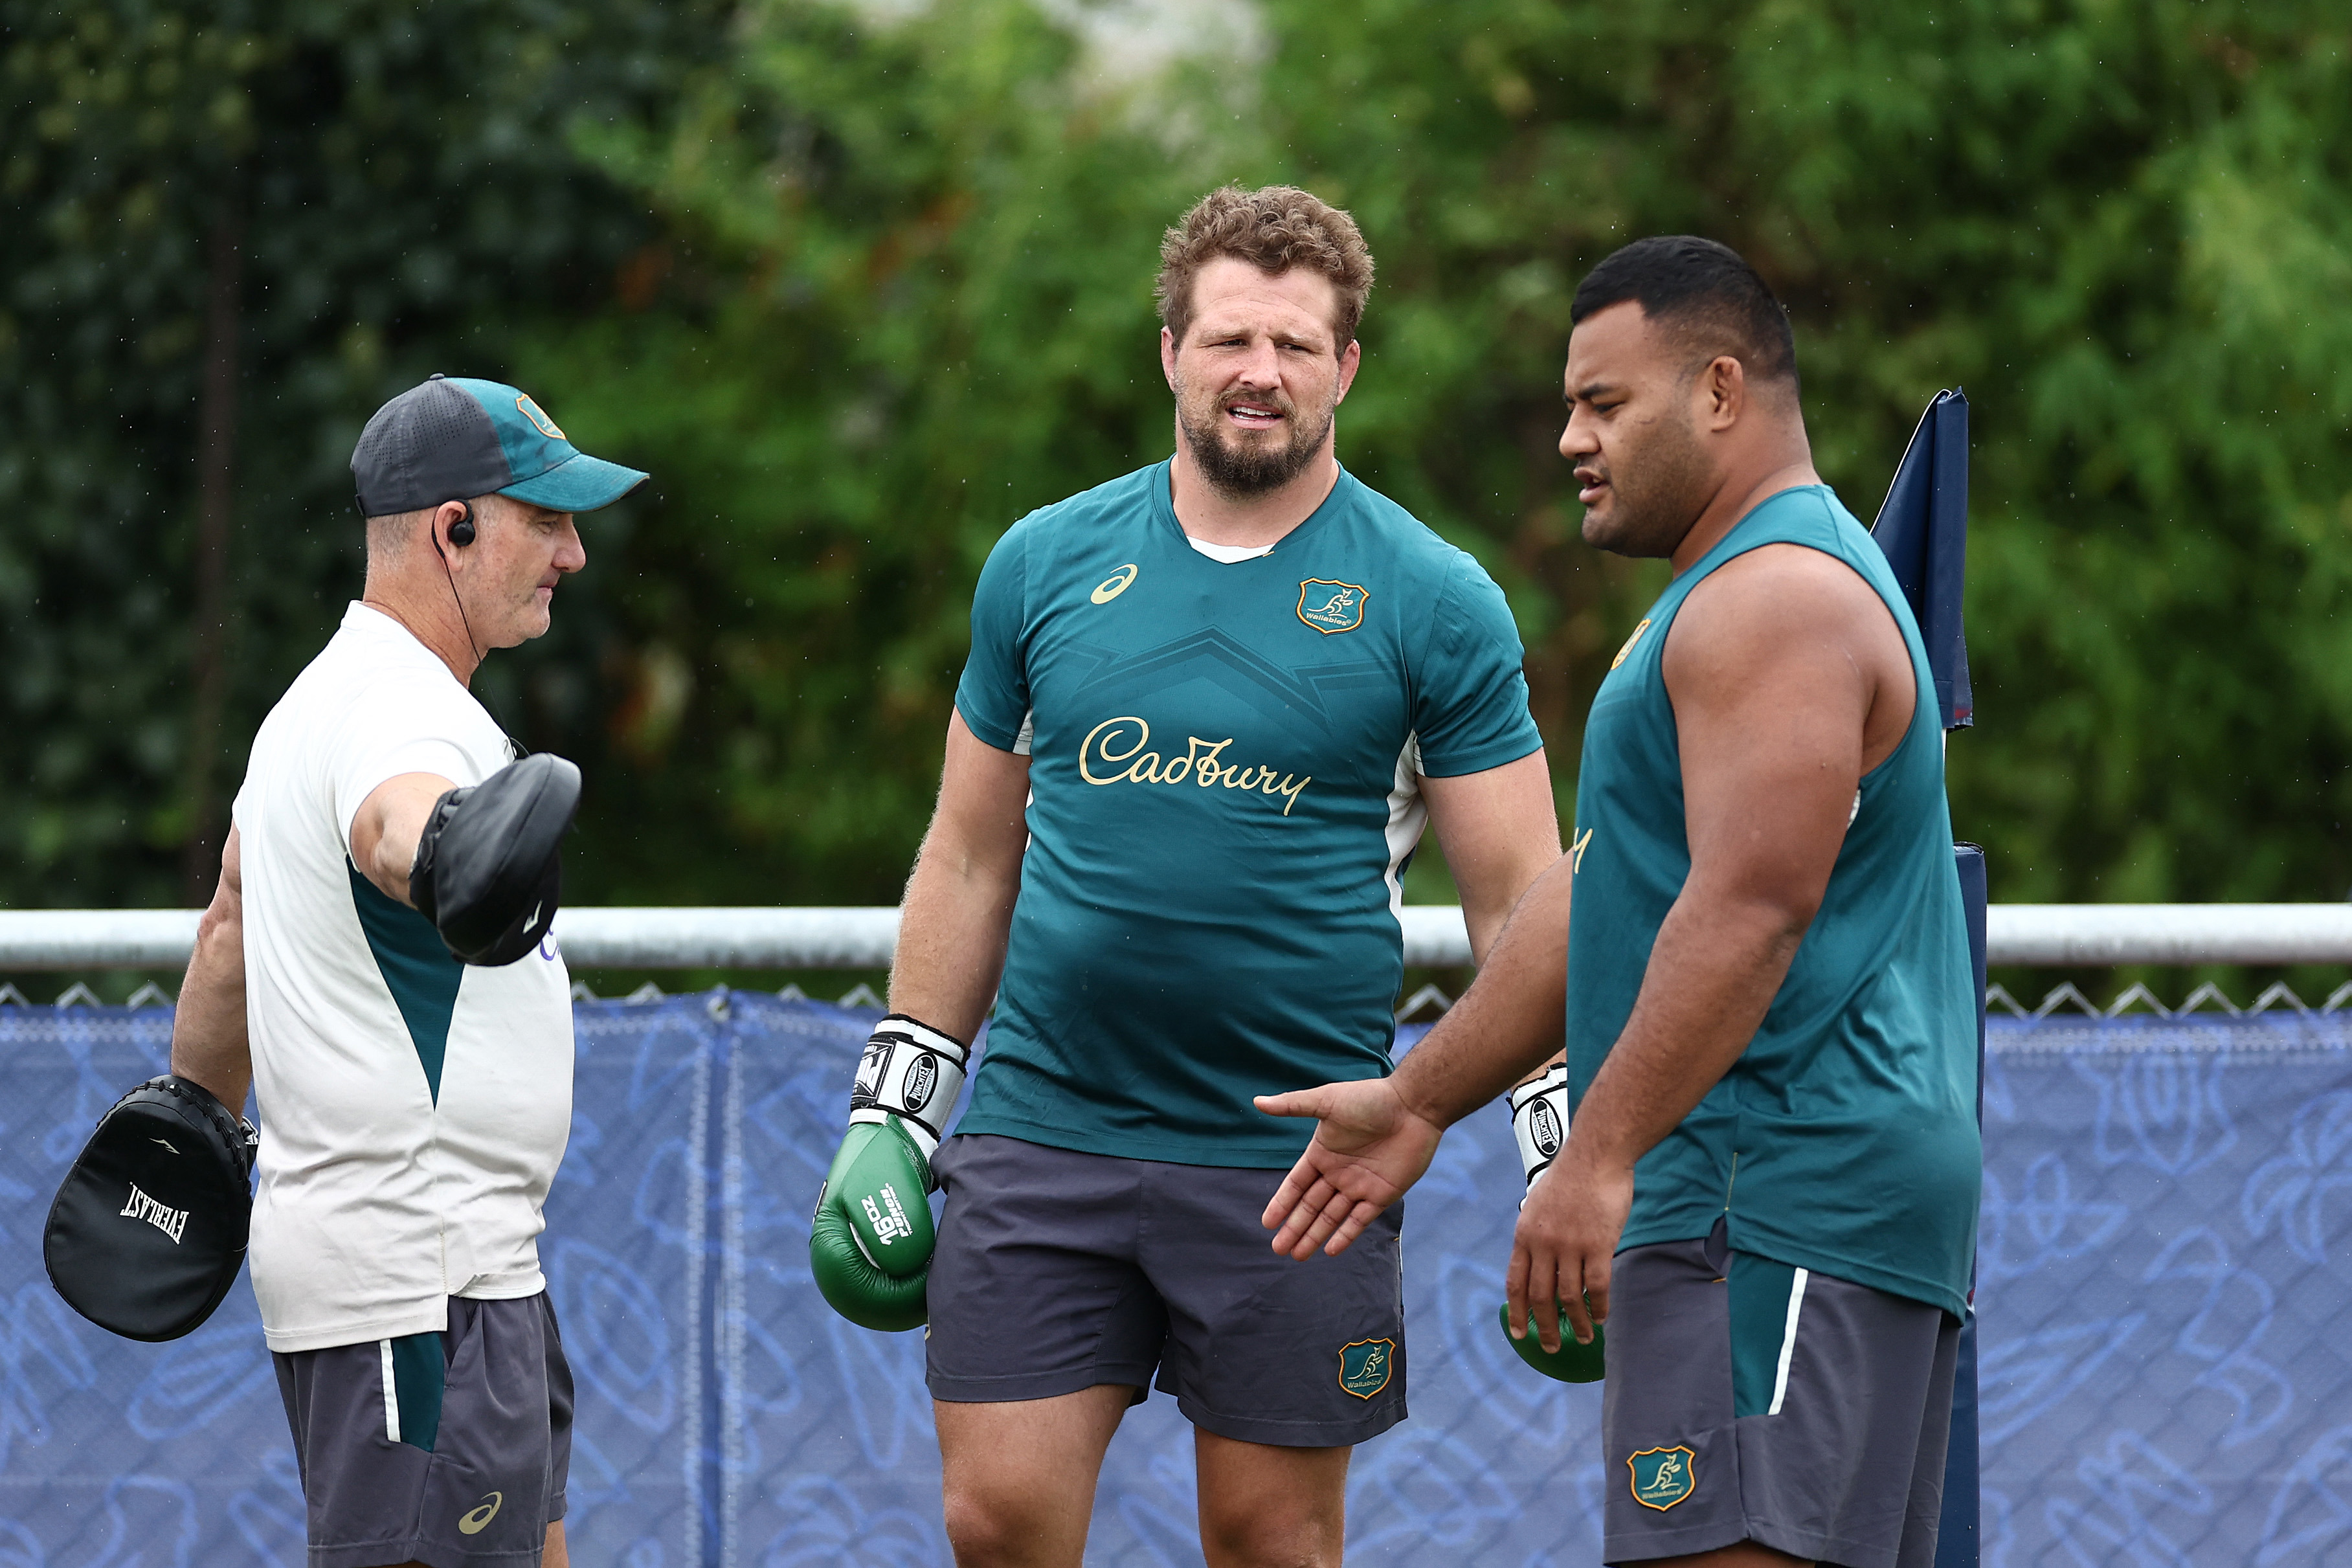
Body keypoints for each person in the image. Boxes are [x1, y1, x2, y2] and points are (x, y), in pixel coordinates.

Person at [814, 185, 1561, 1568]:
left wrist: (1552, 1138)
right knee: (996, 1517)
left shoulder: (1432, 596)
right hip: (1047, 1123)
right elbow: (969, 854)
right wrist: (896, 1104)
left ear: (1346, 366)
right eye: (1226, 340)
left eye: (1293, 344)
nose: (1257, 373)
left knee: (1270, 1539)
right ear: (1169, 353)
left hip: (1295, 1155)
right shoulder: (1042, 563)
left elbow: (1519, 897)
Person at [1258, 236, 1980, 1568]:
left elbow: (1751, 905)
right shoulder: (1729, 595)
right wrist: (1421, 1099)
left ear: (1717, 390)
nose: (1566, 439)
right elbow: (1608, 890)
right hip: (1761, 1201)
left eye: (1602, 403)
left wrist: (1594, 1153)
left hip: (1768, 1200)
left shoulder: (1773, 602)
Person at [166, 374, 647, 1568]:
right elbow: (398, 821)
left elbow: (229, 928)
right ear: (454, 527)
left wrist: (190, 1125)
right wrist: (441, 847)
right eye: (547, 520)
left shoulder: (310, 706)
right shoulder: (398, 715)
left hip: (458, 1273)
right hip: (420, 1288)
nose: (573, 555)